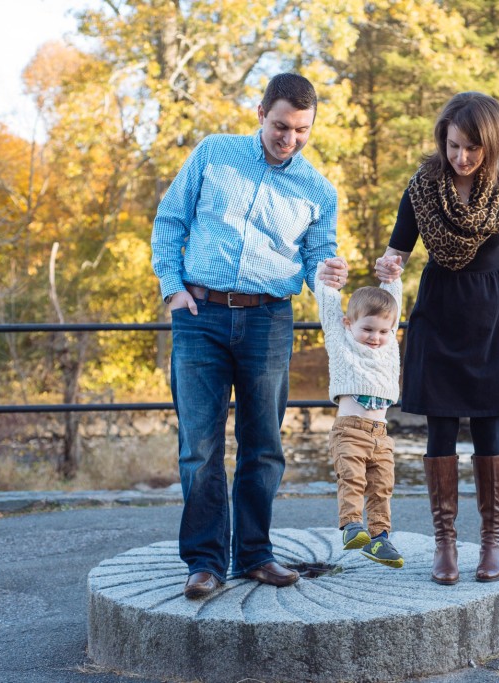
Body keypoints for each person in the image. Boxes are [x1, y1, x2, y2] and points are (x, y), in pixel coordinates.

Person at [151, 73, 349, 600]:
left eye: (302, 130)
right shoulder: (213, 154)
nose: (289, 138)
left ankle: (256, 554)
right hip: (200, 315)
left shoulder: (318, 190)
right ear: (261, 112)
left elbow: (315, 259)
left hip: (268, 320)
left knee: (263, 445)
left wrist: (328, 275)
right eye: (281, 126)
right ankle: (205, 561)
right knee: (201, 445)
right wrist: (172, 289)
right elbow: (170, 220)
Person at [375, 92, 499, 585]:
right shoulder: (423, 186)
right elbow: (397, 252)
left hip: (491, 314)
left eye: (472, 148)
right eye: (453, 146)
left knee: (489, 429)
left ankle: (492, 542)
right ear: (443, 139)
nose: (462, 157)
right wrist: (388, 268)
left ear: (490, 145)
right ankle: (445, 543)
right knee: (441, 429)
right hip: (438, 312)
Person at [314, 258, 405, 569]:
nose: (375, 337)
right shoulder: (342, 345)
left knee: (382, 486)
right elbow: (327, 307)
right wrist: (327, 281)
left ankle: (379, 538)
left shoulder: (389, 346)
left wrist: (392, 277)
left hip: (381, 434)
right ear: (348, 324)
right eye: (368, 329)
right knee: (352, 479)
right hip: (350, 430)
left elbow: (394, 303)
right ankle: (352, 526)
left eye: (383, 330)